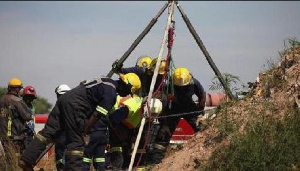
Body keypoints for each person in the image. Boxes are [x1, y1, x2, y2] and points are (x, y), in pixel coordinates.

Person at [19, 73, 141, 171]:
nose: (128, 95)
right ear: (126, 85)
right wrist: (84, 132)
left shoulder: (106, 80)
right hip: (76, 106)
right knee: (76, 141)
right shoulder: (111, 95)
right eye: (129, 91)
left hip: (65, 99)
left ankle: (26, 159)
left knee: (48, 132)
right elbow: (96, 115)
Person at [148, 67, 206, 165]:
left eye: (184, 86)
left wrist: (200, 109)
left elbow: (202, 95)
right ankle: (156, 161)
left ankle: (202, 152)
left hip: (189, 107)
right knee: (164, 133)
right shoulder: (168, 85)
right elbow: (163, 103)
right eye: (179, 87)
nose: (182, 88)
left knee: (196, 129)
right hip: (173, 108)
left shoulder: (194, 83)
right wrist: (164, 121)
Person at [0, 78, 33, 157]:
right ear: (17, 89)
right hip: (16, 137)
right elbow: (27, 116)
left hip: (3, 136)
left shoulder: (1, 100)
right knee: (17, 158)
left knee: (8, 157)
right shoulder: (17, 101)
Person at [53, 84, 71, 171]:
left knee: (60, 158)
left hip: (61, 136)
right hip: (71, 136)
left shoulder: (58, 107)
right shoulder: (74, 106)